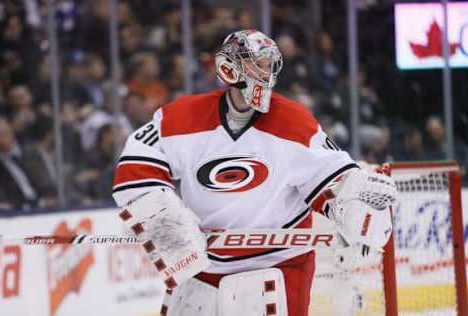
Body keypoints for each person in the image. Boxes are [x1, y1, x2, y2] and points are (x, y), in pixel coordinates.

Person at [112, 30, 397, 316]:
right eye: (256, 64)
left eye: (268, 64)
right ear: (229, 67)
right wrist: (168, 227)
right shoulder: (181, 118)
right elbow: (134, 170)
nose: (265, 72)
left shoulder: (295, 122)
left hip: (280, 263)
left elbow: (329, 180)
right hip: (206, 267)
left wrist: (351, 205)